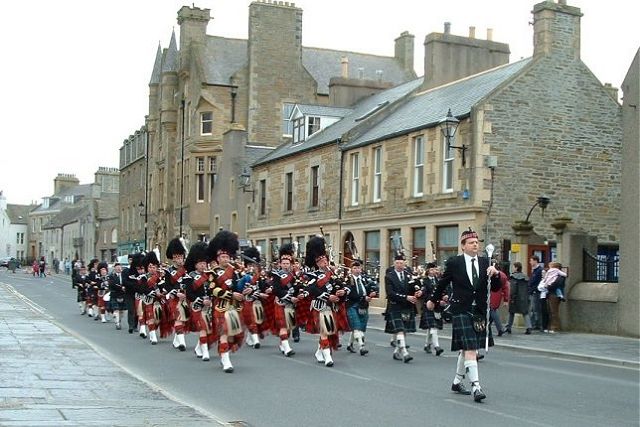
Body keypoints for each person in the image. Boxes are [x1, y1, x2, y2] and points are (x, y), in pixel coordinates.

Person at [426, 228, 500, 403]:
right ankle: (476, 386)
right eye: (472, 243)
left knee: (466, 348)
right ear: (463, 246)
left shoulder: (485, 262)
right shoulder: (455, 262)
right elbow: (443, 283)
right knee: (471, 349)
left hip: (479, 311)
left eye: (477, 242)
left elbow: (495, 288)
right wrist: (432, 300)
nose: (475, 245)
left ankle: (457, 382)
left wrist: (495, 274)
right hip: (462, 310)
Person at [304, 236, 347, 367]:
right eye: (320, 260)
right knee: (324, 331)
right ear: (316, 262)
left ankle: (319, 351)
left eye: (324, 259)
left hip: (332, 307)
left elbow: (342, 287)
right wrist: (327, 297)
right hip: (320, 306)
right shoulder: (313, 275)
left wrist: (342, 292)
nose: (323, 262)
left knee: (328, 331)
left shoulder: (333, 275)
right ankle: (328, 357)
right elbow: (311, 289)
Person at [208, 230, 245, 373]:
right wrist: (231, 295)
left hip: (234, 308)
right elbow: (213, 290)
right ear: (218, 258)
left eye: (227, 256)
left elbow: (238, 287)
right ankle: (225, 360)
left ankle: (224, 353)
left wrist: (244, 292)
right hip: (220, 307)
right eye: (222, 257)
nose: (225, 259)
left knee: (231, 335)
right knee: (223, 332)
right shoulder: (213, 273)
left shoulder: (235, 272)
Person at [384, 253, 422, 363]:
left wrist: (418, 292)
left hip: (407, 307)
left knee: (403, 331)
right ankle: (405, 352)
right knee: (400, 330)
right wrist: (406, 297)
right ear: (394, 263)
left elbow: (415, 287)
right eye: (397, 263)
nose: (399, 265)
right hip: (395, 306)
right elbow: (390, 293)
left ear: (404, 263)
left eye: (401, 263)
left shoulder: (409, 275)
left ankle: (396, 352)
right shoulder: (389, 276)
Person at [182, 242, 216, 362]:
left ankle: (198, 347)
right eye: (200, 263)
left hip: (209, 307)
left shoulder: (210, 276)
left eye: (204, 263)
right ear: (195, 264)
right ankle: (205, 352)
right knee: (202, 328)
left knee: (208, 329)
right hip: (197, 306)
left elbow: (212, 290)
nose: (203, 266)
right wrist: (201, 300)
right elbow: (190, 294)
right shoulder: (189, 277)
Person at [269, 243, 300, 357]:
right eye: (284, 263)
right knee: (282, 325)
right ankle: (287, 348)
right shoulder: (276, 275)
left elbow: (297, 287)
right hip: (280, 302)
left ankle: (283, 343)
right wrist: (288, 295)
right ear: (280, 264)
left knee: (288, 327)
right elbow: (276, 290)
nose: (286, 265)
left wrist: (297, 293)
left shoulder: (294, 275)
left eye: (288, 263)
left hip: (290, 304)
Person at [345, 259, 378, 356]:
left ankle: (350, 344)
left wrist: (372, 293)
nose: (356, 270)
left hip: (363, 306)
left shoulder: (364, 279)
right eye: (354, 268)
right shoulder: (348, 280)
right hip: (352, 305)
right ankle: (361, 346)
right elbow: (350, 293)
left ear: (361, 269)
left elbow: (370, 288)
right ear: (351, 269)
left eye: (358, 268)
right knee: (357, 326)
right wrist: (364, 297)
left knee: (360, 327)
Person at [164, 237, 189, 352]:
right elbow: (167, 286)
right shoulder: (168, 271)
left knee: (184, 320)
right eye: (176, 257)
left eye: (180, 257)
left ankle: (176, 339)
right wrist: (176, 293)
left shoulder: (188, 270)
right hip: (175, 298)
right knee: (178, 318)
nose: (179, 259)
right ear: (173, 259)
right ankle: (182, 342)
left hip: (186, 298)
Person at [419, 262, 445, 356]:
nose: (434, 271)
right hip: (428, 306)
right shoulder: (424, 281)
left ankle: (427, 345)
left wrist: (443, 298)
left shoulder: (438, 280)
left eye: (435, 269)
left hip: (437, 307)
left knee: (431, 328)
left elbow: (441, 291)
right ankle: (436, 346)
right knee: (434, 327)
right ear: (427, 271)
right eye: (431, 269)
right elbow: (425, 294)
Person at [538, 261, 567, 333]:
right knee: (550, 311)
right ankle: (550, 326)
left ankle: (555, 327)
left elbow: (556, 284)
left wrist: (548, 286)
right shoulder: (553, 275)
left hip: (554, 294)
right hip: (550, 293)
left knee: (554, 311)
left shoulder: (560, 277)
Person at [505, 262, 532, 334]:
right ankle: (529, 327)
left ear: (516, 268)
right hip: (524, 297)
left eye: (513, 267)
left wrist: (511, 298)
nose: (512, 268)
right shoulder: (526, 277)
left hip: (515, 298)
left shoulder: (513, 277)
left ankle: (508, 327)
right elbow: (529, 288)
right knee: (525, 313)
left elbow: (513, 289)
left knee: (511, 312)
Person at [489, 263, 510, 337]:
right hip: (497, 296)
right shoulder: (503, 275)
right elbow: (506, 288)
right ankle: (486, 328)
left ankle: (500, 328)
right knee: (491, 312)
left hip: (492, 295)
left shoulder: (493, 275)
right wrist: (505, 299)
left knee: (492, 310)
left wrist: (506, 299)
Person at [108, 263, 127, 330]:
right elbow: (111, 284)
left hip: (123, 294)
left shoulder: (124, 276)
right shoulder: (111, 276)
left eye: (120, 267)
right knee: (116, 309)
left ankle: (118, 321)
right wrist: (121, 287)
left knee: (122, 311)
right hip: (115, 294)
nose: (119, 268)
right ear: (114, 268)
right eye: (117, 267)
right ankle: (117, 324)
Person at [528, 256, 544, 330]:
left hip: (536, 292)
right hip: (532, 291)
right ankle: (533, 324)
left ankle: (538, 324)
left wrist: (532, 288)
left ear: (535, 261)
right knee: (532, 309)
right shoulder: (534, 270)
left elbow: (536, 281)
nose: (530, 262)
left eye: (531, 261)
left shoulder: (539, 270)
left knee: (535, 309)